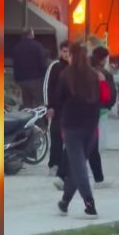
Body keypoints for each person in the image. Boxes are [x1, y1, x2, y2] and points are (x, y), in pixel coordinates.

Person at [51, 43, 110, 219]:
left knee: (78, 167)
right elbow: (106, 98)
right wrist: (102, 82)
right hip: (91, 126)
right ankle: (65, 202)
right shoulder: (95, 75)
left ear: (72, 56)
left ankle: (89, 204)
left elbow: (58, 99)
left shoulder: (65, 75)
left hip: (71, 126)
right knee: (77, 166)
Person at [45, 41, 71, 176]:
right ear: (61, 52)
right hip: (57, 109)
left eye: (69, 52)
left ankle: (66, 167)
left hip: (72, 109)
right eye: (65, 51)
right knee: (56, 137)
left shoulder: (76, 67)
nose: (67, 54)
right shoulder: (55, 66)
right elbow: (48, 87)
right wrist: (49, 106)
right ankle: (54, 164)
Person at [11, 28, 47, 108]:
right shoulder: (37, 46)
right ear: (31, 34)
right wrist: (44, 76)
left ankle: (27, 115)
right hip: (36, 80)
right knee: (39, 104)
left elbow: (14, 64)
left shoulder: (17, 47)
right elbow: (42, 62)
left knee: (27, 104)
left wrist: (16, 79)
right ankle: (39, 116)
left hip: (21, 81)